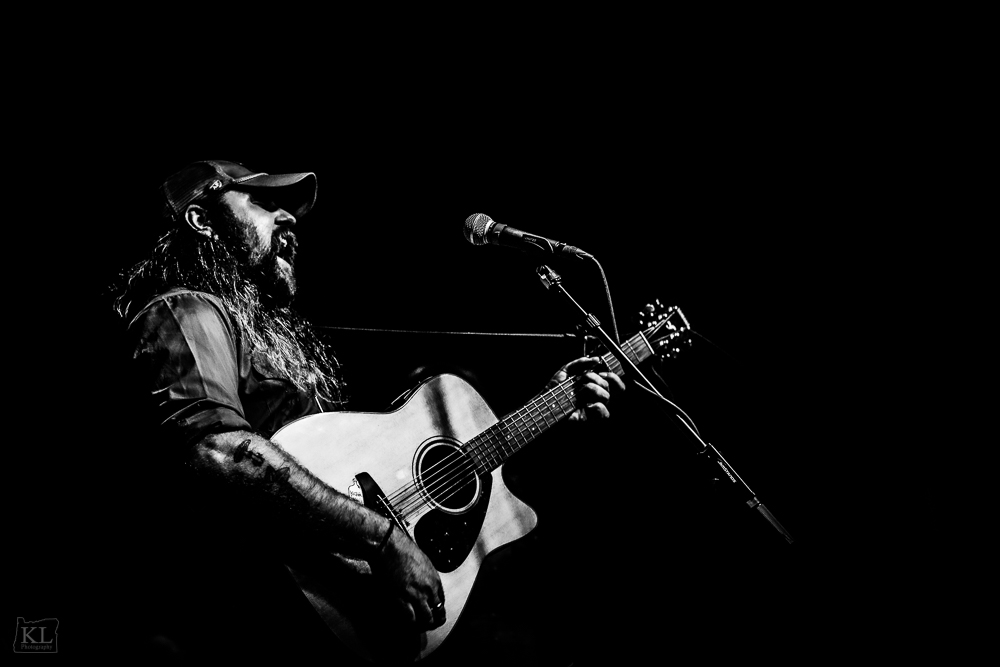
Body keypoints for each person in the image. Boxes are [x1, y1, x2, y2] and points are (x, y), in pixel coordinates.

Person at [111, 159, 625, 662]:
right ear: (202, 221)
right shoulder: (185, 309)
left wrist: (555, 409)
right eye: (266, 203)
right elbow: (217, 451)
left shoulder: (270, 339)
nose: (289, 219)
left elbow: (372, 478)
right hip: (236, 623)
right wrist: (384, 542)